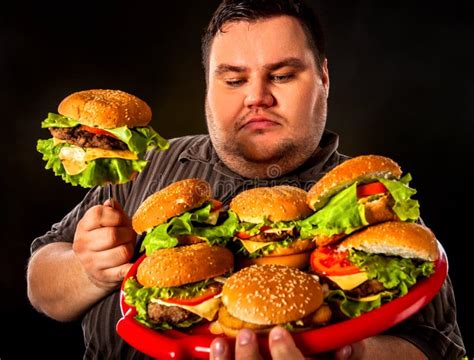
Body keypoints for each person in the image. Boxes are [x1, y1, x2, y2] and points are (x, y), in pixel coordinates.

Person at [27, 0, 466, 359]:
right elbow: (41, 285)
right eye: (234, 79)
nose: (257, 96)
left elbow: (440, 346)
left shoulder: (370, 194)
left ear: (324, 79)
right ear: (208, 87)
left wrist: (348, 354)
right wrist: (88, 270)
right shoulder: (145, 164)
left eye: (281, 75)